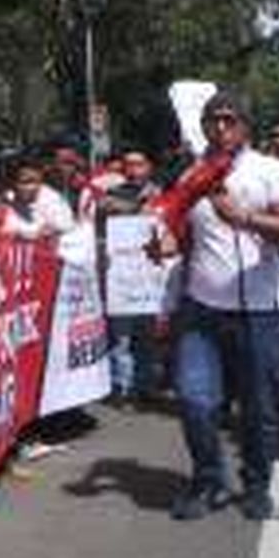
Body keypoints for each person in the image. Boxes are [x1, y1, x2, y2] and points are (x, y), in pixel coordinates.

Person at [150, 91, 279, 521]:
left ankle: (256, 483)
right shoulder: (191, 176)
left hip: (259, 311)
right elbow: (178, 232)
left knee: (258, 407)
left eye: (229, 120)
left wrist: (246, 219)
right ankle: (208, 480)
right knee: (194, 399)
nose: (221, 128)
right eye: (213, 121)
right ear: (202, 127)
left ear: (245, 126)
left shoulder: (271, 172)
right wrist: (162, 243)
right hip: (201, 310)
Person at [100, 149, 169, 404]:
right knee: (121, 336)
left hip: (150, 275)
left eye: (138, 164)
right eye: (128, 164)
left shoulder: (162, 193)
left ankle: (147, 386)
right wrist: (137, 205)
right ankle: (123, 386)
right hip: (121, 275)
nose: (132, 169)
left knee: (148, 335)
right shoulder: (111, 195)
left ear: (149, 167)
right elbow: (104, 216)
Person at [4, 155, 76, 239]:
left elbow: (65, 228)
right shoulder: (8, 199)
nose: (28, 187)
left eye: (33, 181)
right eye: (22, 182)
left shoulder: (54, 202)